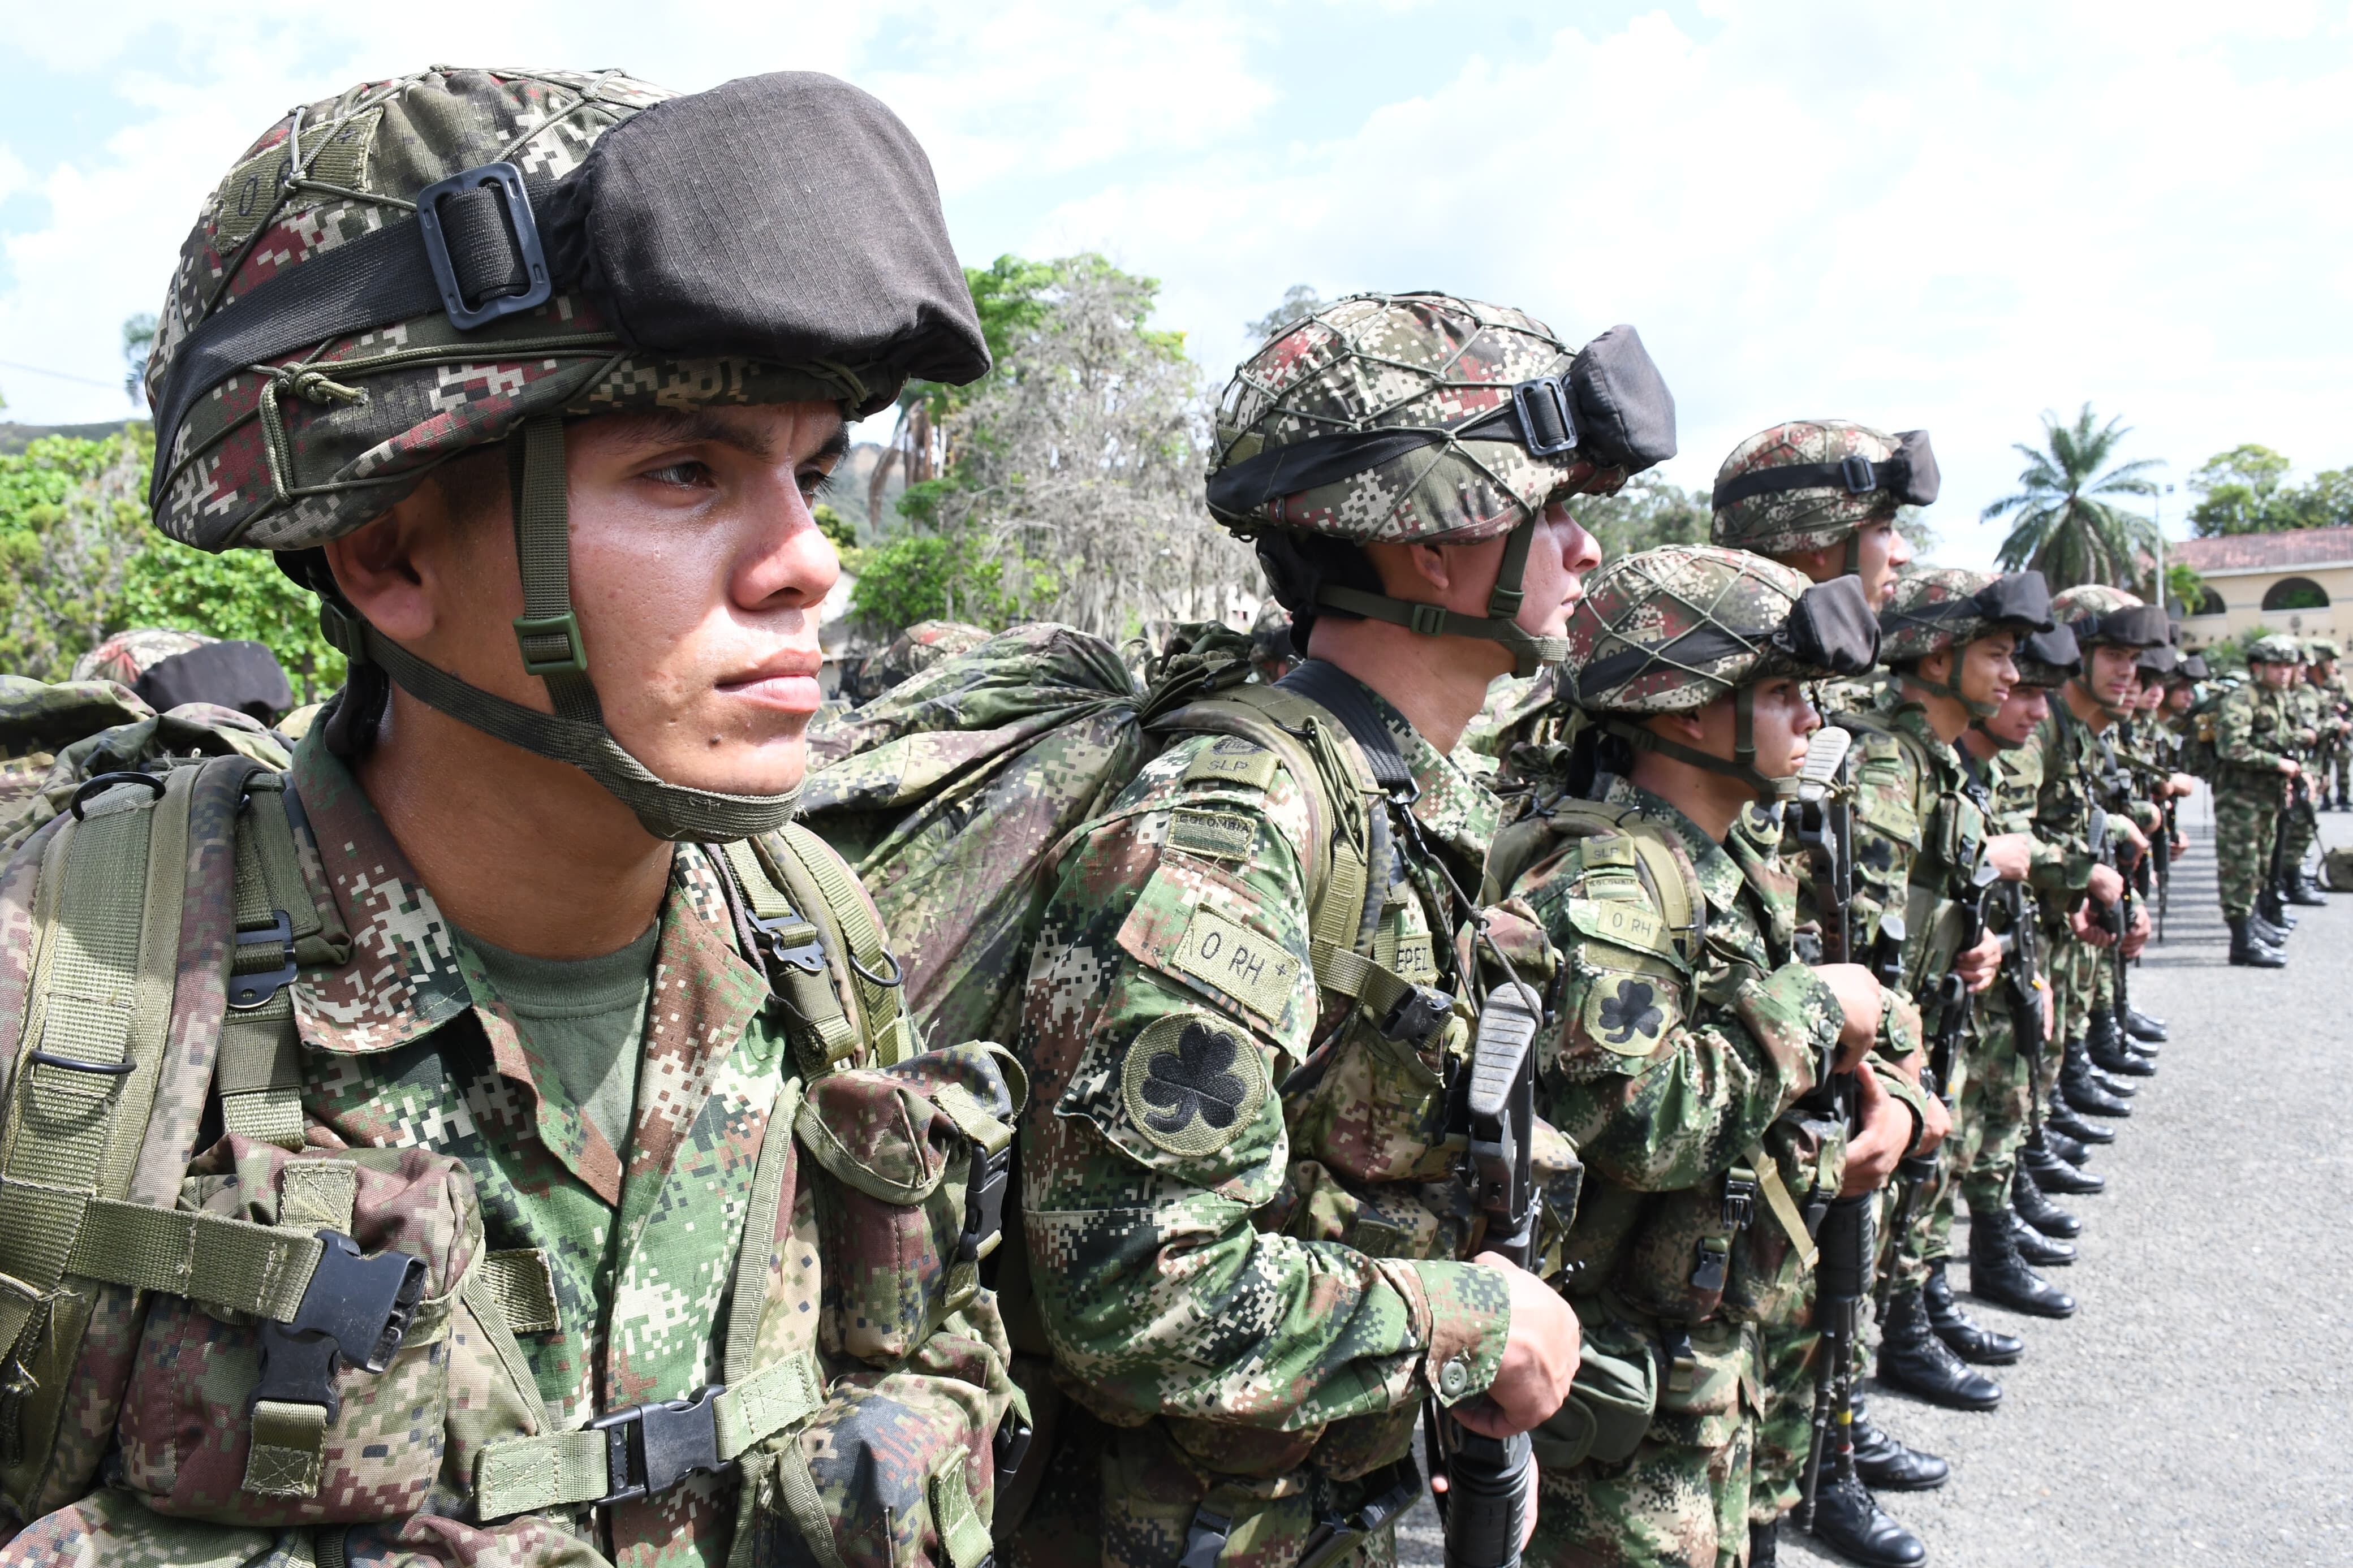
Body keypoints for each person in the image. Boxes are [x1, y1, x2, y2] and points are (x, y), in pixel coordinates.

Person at [0, 66, 1031, 1566]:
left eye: (811, 474)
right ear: (386, 551)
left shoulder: (819, 943)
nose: (810, 562)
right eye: (688, 470)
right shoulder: (80, 997)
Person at [1005, 293, 1674, 1568]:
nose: (1587, 552)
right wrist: (1471, 1320)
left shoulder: (1399, 793)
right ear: (1436, 546)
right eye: (1556, 510)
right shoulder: (1233, 826)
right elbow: (1139, 1285)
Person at [1496, 543, 1925, 1568]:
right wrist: (1816, 1013)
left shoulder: (1714, 854)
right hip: (1624, 1375)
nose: (1812, 722)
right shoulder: (1616, 886)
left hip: (1705, 1341)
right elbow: (1636, 1122)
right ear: (1687, 711)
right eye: (1782, 693)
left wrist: (1883, 1066)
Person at [1825, 567, 2053, 1419]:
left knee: (1901, 1215)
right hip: (1876, 1051)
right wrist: (1899, 1069)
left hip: (1921, 1023)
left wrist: (1974, 939)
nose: (2010, 675)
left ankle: (1906, 1334)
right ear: (1934, 658)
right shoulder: (1889, 760)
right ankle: (1838, 1430)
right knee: (1843, 1254)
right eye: (1995, 653)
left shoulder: (1939, 762)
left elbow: (1926, 902)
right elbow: (1856, 930)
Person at [1950, 626, 2084, 1320]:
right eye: (2023, 689)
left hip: (2005, 968)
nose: (2034, 711)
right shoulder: (1942, 773)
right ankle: (1928, 1300)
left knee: (2002, 1114)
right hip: (1958, 991)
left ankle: (1992, 1249)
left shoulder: (1998, 771)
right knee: (1953, 1141)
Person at [2213, 635, 2308, 965]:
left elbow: (2281, 741)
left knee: (2260, 866)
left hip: (2267, 797)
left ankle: (2252, 926)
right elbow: (2231, 747)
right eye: (2276, 665)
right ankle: (2241, 941)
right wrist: (2277, 764)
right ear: (2258, 667)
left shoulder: (2276, 698)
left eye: (2288, 666)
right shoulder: (2243, 698)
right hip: (2239, 799)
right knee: (2240, 867)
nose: (2284, 672)